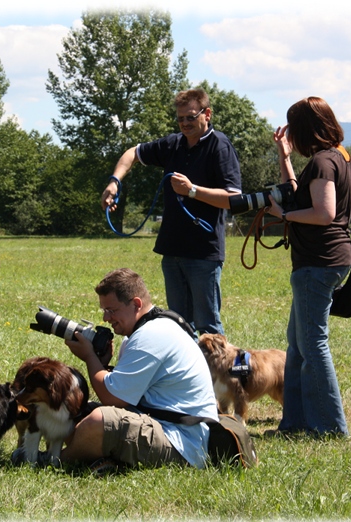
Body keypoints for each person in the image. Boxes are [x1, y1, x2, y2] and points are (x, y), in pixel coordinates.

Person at [101, 87, 242, 336]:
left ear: (206, 113)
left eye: (191, 117)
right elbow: (132, 153)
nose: (185, 123)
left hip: (204, 253)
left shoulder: (219, 146)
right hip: (173, 250)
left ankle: (218, 375)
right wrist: (114, 181)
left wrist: (193, 191)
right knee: (178, 325)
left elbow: (234, 198)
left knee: (208, 326)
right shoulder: (173, 144)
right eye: (180, 118)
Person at [59, 268, 218, 471]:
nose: (106, 318)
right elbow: (126, 394)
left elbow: (112, 399)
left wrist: (90, 357)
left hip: (181, 442)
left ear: (136, 304)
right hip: (162, 425)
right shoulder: (148, 329)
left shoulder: (151, 335)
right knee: (75, 409)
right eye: (104, 311)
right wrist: (104, 364)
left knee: (100, 421)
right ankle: (101, 457)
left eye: (112, 310)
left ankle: (56, 460)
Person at [265, 96, 351, 437]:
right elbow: (303, 194)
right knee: (298, 343)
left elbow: (323, 212)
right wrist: (284, 158)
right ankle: (296, 423)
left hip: (318, 262)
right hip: (327, 260)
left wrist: (283, 215)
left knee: (312, 344)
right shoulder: (339, 157)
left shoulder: (322, 161)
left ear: (305, 130)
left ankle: (330, 427)